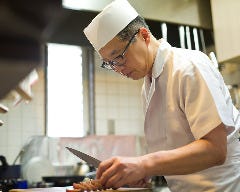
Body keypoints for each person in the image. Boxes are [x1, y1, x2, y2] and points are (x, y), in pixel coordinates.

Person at [83, 0, 240, 191]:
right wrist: (144, 172)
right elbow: (176, 150)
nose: (118, 68)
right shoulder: (148, 86)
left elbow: (216, 149)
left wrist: (144, 164)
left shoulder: (188, 67)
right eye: (109, 63)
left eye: (119, 56)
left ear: (144, 35)